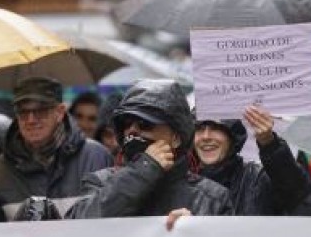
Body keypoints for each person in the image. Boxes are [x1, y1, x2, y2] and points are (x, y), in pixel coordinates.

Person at [66, 79, 232, 219]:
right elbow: (77, 224)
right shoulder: (100, 183)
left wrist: (196, 231)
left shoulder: (212, 198)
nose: (132, 130)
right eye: (127, 124)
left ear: (176, 138)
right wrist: (143, 171)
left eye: (145, 124)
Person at [0, 77, 114, 223]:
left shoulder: (97, 157)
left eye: (40, 111)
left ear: (60, 112)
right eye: (23, 112)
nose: (31, 120)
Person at [192, 105, 311, 215]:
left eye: (216, 128)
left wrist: (270, 144)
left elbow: (295, 191)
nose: (206, 136)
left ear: (232, 137)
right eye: (199, 128)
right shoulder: (181, 181)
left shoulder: (256, 179)